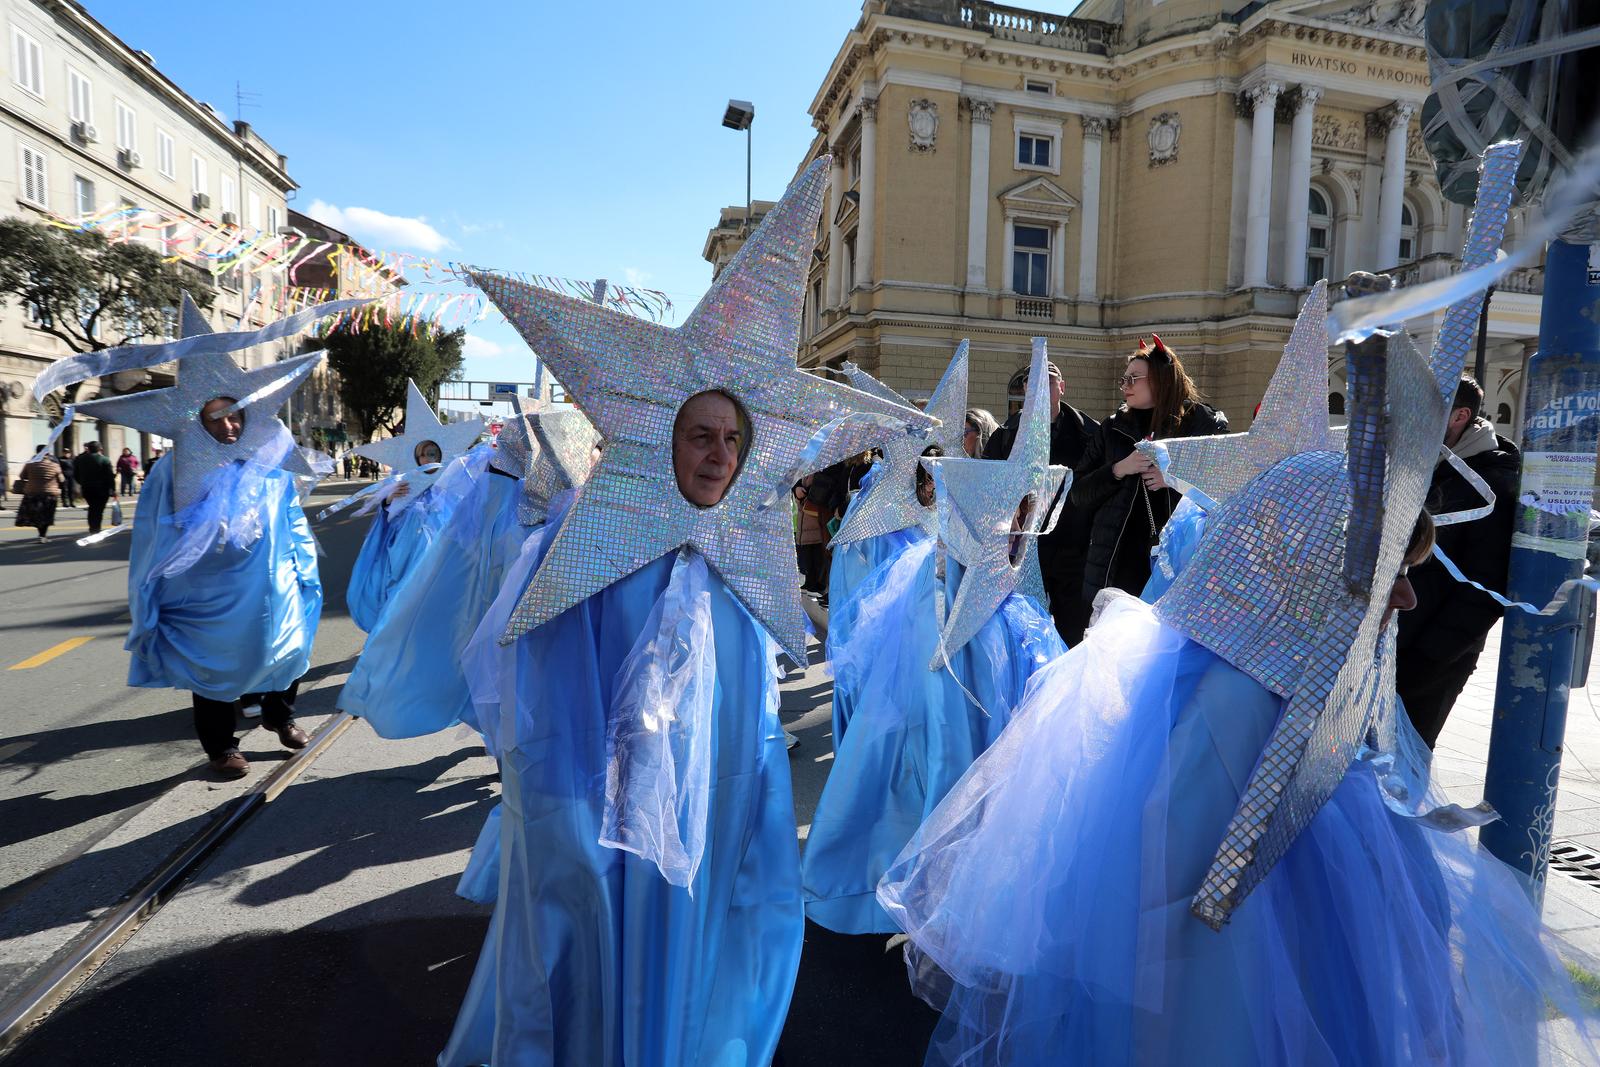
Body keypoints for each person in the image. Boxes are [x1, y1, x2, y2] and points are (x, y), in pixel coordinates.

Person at [878, 321, 1596, 1065]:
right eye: (1392, 571)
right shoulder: (1235, 704)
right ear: (1325, 572)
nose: (1407, 597)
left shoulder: (1308, 687)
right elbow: (1164, 902)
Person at [1397, 375, 1521, 747]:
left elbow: (1486, 584)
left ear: (1459, 416)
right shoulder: (1425, 464)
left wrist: (1429, 658)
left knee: (1406, 760)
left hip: (1431, 658)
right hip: (1394, 638)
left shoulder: (1491, 482)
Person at [1070, 337, 1226, 612]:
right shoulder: (1112, 428)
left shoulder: (1201, 424)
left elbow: (1226, 483)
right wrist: (1119, 469)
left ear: (1160, 379)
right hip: (1115, 566)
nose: (1125, 386)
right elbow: (1078, 494)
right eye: (1124, 379)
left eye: (1134, 378)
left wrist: (1175, 479)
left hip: (1178, 561)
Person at [985, 359, 1101, 644]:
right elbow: (990, 488)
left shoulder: (1090, 433)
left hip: (1073, 547)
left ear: (1061, 387)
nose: (1040, 387)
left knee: (1073, 630)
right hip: (1022, 550)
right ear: (1024, 389)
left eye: (1047, 381)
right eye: (1032, 381)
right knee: (1024, 631)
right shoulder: (1003, 436)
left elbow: (1100, 486)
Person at [14, 445, 64, 542]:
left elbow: (22, 476)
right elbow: (62, 479)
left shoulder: (29, 464)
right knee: (46, 515)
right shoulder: (54, 465)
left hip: (32, 493)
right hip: (49, 494)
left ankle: (41, 535)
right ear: (47, 453)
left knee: (36, 515)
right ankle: (43, 535)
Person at [73, 441, 117, 535]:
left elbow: (76, 474)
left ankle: (92, 528)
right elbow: (109, 476)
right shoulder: (104, 460)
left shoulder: (79, 459)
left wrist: (82, 482)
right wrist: (113, 489)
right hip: (101, 489)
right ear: (100, 449)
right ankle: (96, 528)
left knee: (92, 507)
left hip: (86, 488)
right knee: (99, 510)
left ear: (88, 449)